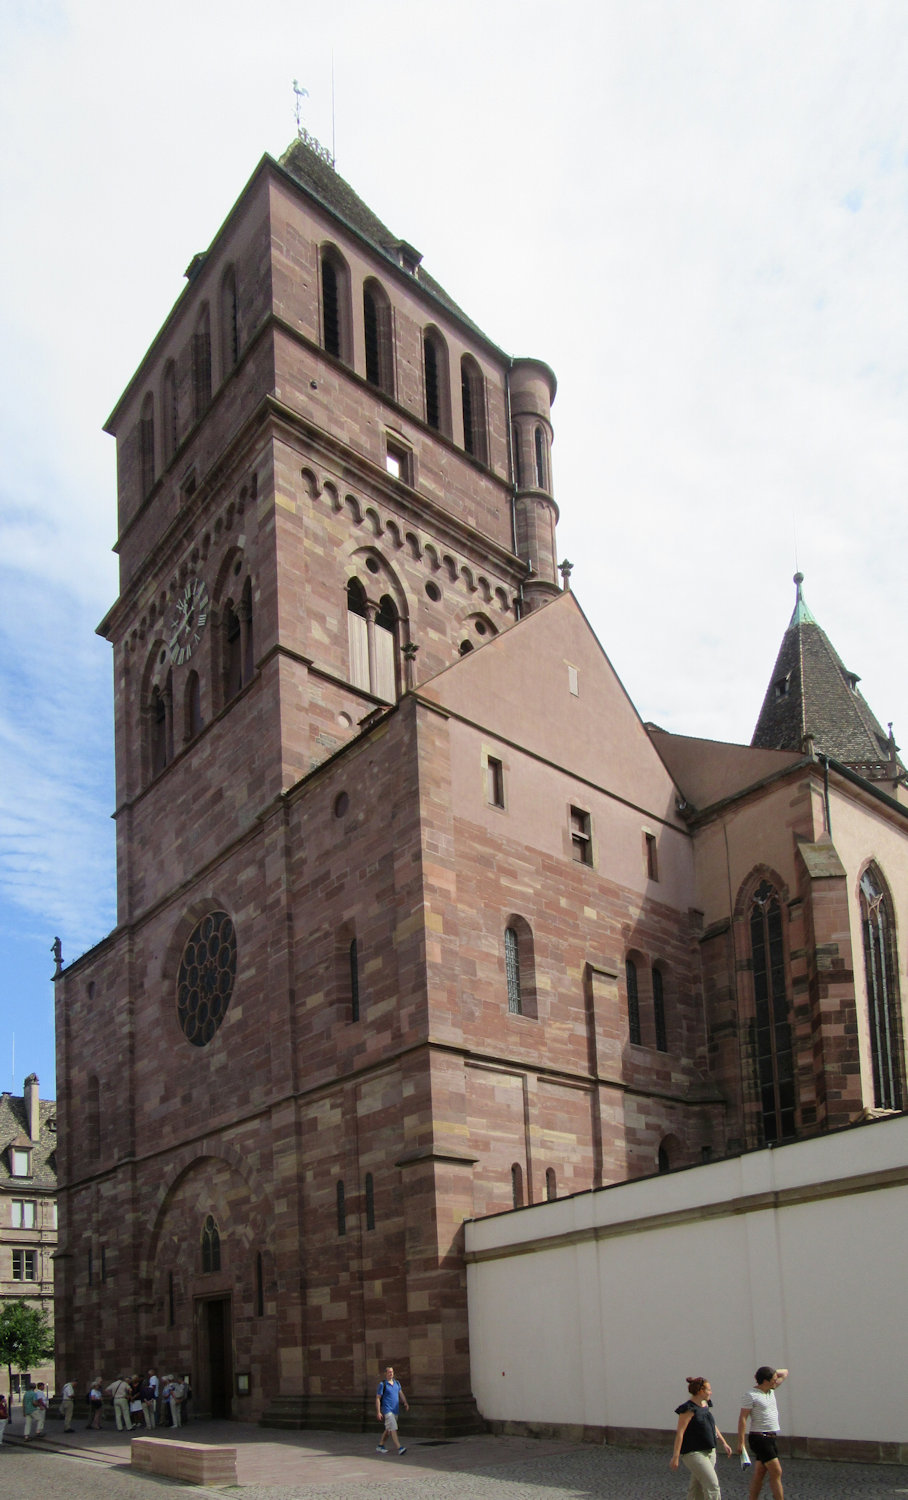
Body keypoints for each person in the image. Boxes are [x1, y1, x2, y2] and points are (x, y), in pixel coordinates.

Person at [670, 1376, 732, 1499]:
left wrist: (724, 1442)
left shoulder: (705, 1404)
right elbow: (680, 1433)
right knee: (713, 1485)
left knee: (697, 1488)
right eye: (709, 1390)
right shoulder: (688, 1409)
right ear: (700, 1391)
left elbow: (712, 1424)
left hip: (710, 1451)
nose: (711, 1392)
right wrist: (676, 1456)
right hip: (693, 1453)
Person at [738, 1366, 789, 1500]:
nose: (775, 1381)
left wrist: (773, 1373)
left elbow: (785, 1372)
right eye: (773, 1379)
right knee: (777, 1471)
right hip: (759, 1437)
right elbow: (743, 1418)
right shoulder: (751, 1395)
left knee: (760, 1473)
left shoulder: (770, 1390)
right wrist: (741, 1443)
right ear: (765, 1381)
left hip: (771, 1437)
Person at [375, 1364, 409, 1456]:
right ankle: (399, 1447)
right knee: (393, 1427)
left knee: (388, 1429)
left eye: (392, 1372)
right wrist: (378, 1412)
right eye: (389, 1372)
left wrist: (405, 1402)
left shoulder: (397, 1383)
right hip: (387, 1410)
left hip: (395, 1410)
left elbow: (400, 1393)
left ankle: (380, 1445)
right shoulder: (383, 1384)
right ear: (385, 1374)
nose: (391, 1373)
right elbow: (378, 1398)